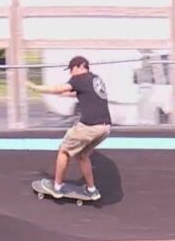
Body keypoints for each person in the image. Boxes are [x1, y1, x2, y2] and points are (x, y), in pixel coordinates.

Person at [26, 55, 112, 200]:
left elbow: (61, 88)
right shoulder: (95, 79)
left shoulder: (79, 79)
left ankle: (57, 187)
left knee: (64, 151)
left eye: (71, 70)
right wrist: (65, 94)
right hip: (105, 128)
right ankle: (92, 190)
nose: (70, 74)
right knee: (82, 155)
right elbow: (82, 94)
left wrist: (35, 88)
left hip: (89, 126)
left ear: (79, 66)